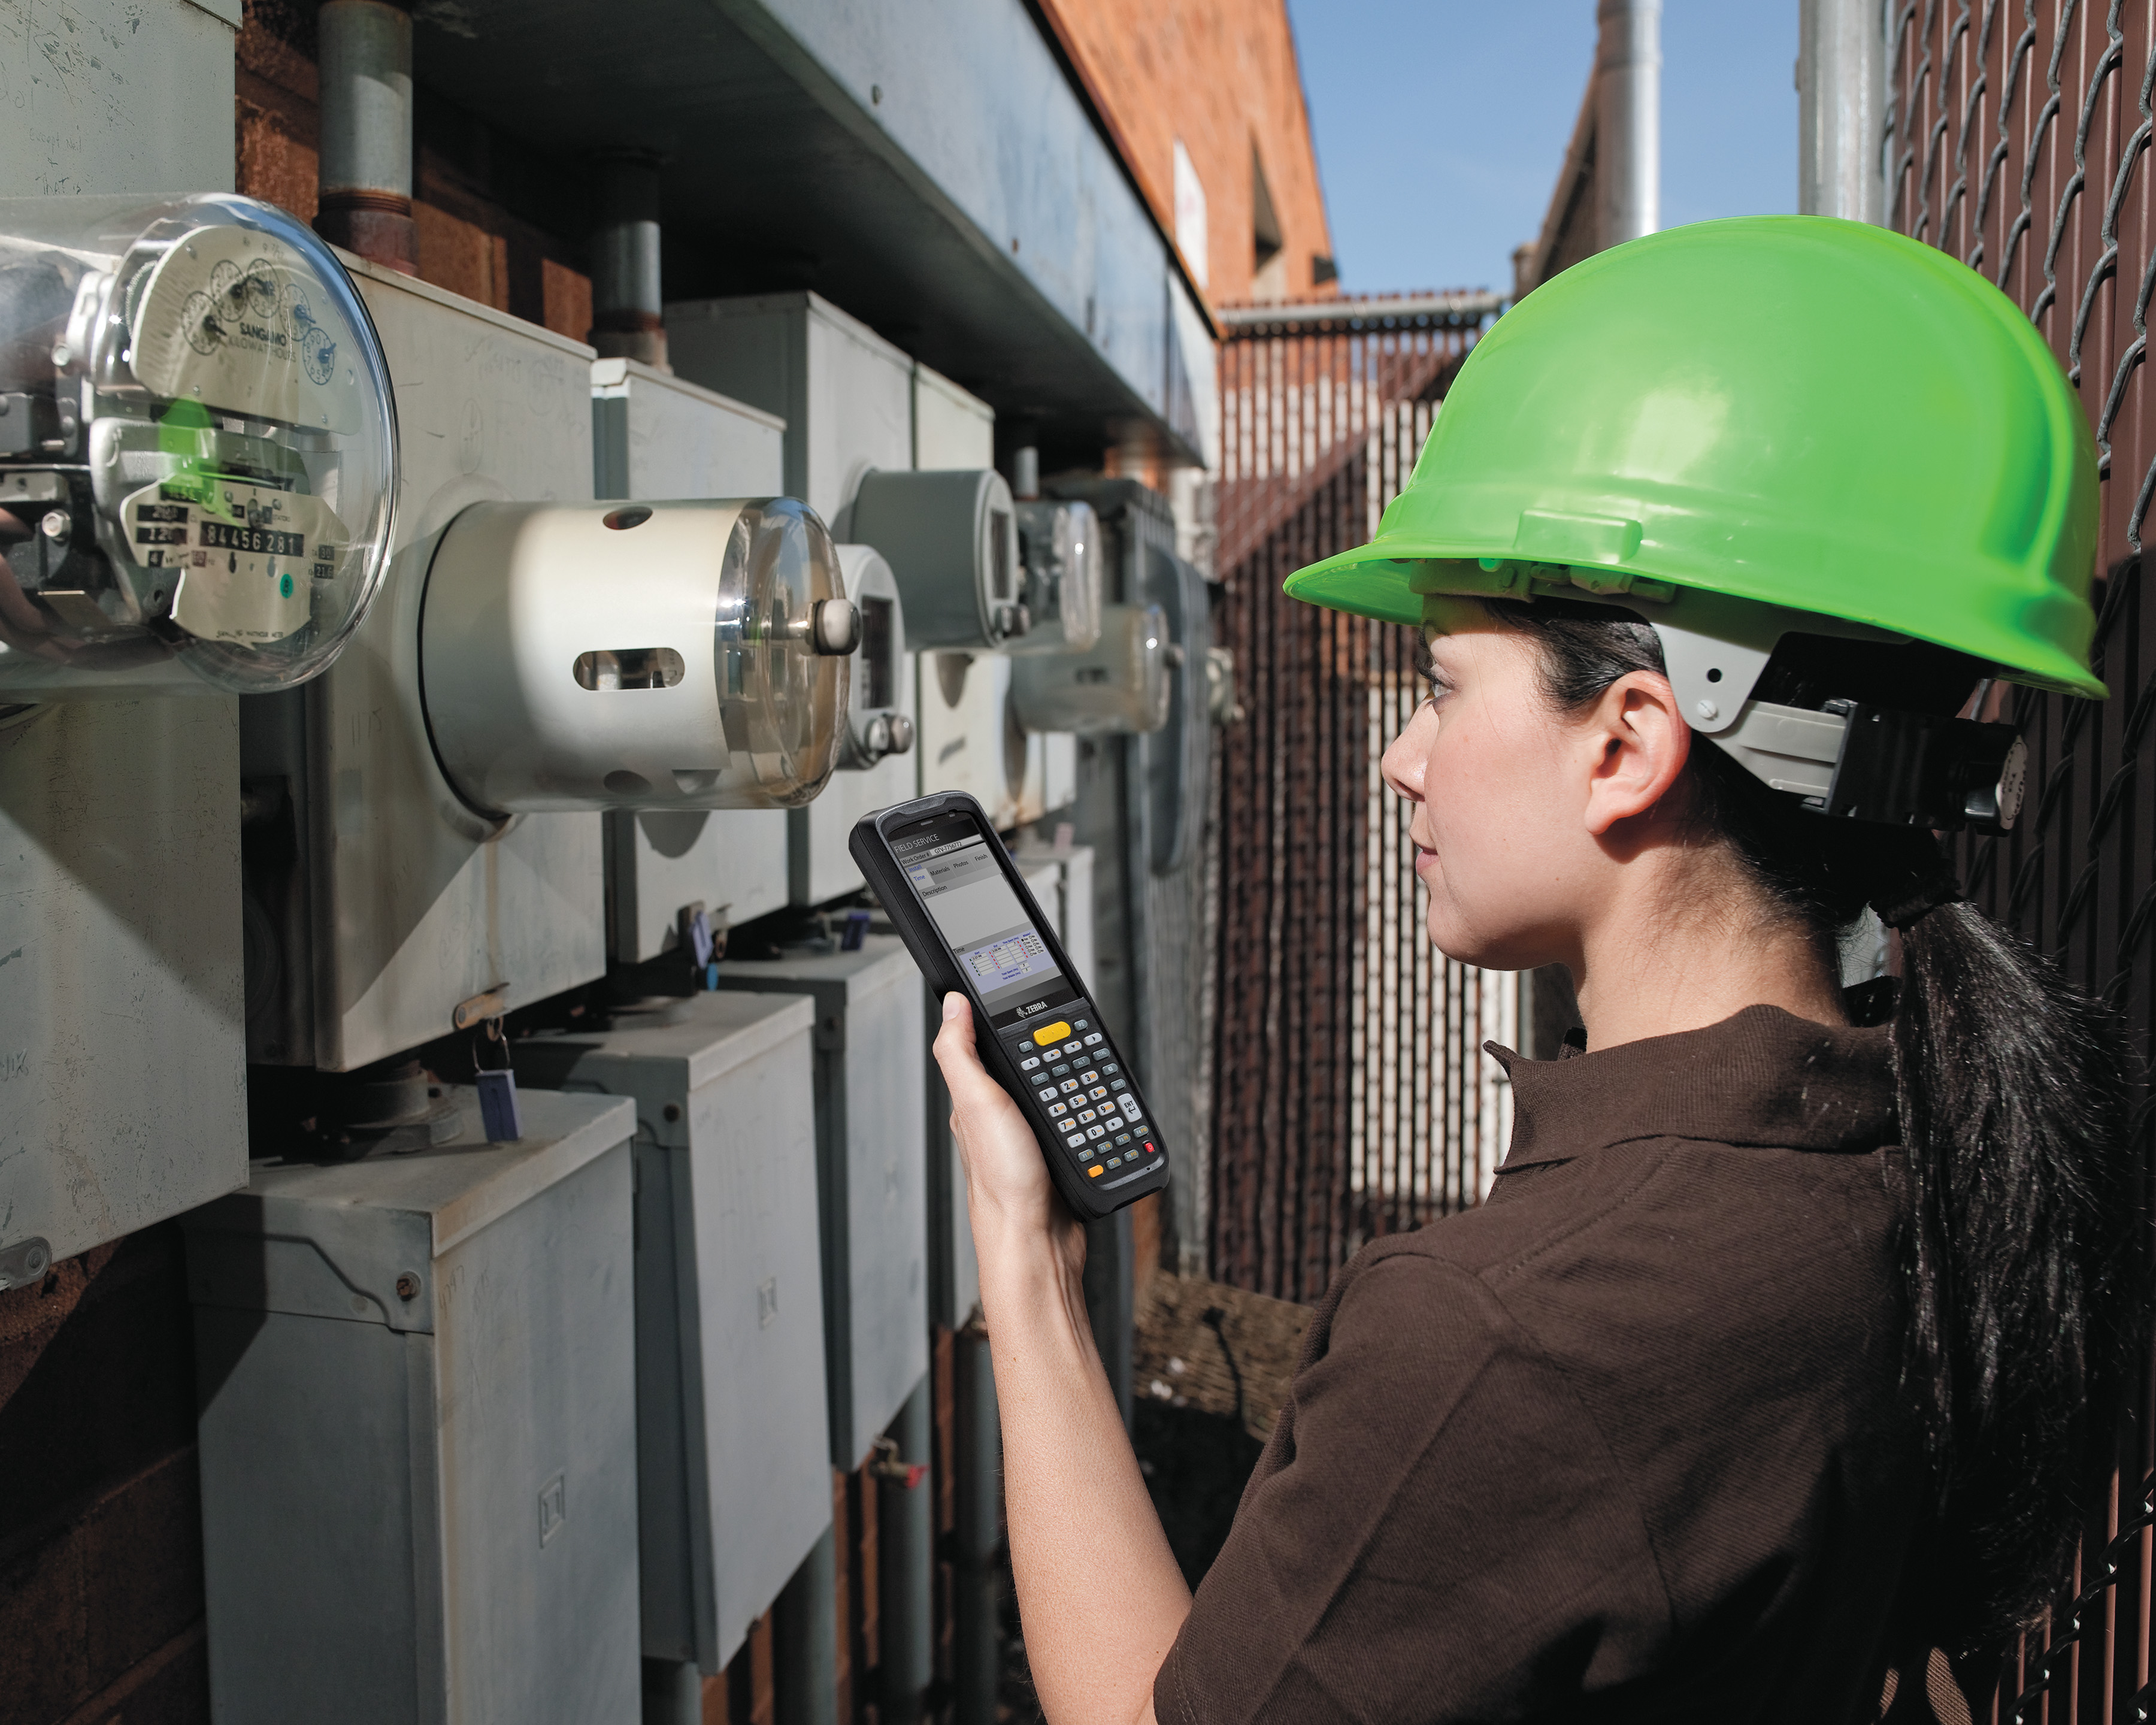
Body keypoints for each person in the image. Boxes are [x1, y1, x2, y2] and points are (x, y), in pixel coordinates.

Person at [932, 216, 2149, 1724]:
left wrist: (1033, 1279)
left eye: (1442, 689)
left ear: (1629, 742)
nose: (1402, 757)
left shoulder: (1516, 1330)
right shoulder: (1933, 1146)